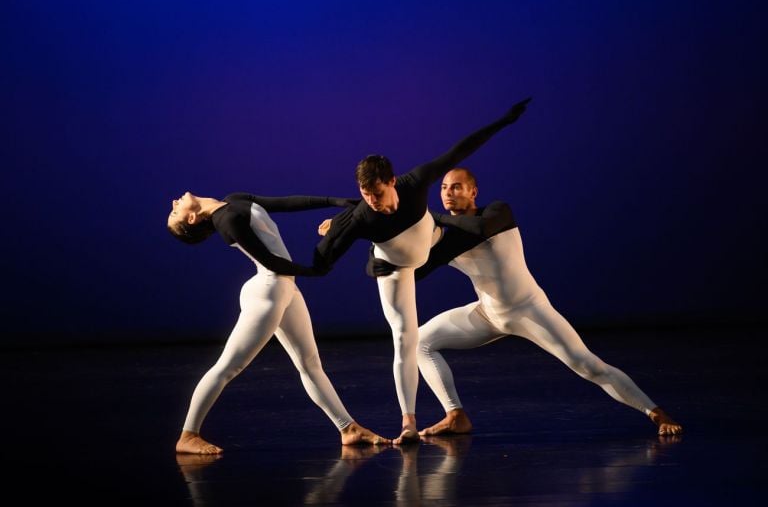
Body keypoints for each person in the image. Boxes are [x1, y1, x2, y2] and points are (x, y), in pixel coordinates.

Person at [366, 167, 683, 437]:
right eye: (444, 188)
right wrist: (373, 239)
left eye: (457, 187)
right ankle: (456, 415)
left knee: (587, 365)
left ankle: (655, 412)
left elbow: (479, 229)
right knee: (419, 341)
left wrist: (426, 219)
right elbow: (405, 270)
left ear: (474, 191)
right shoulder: (444, 237)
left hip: (529, 310)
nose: (448, 193)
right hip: (488, 313)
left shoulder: (497, 213)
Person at [311, 98, 531, 444]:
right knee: (406, 339)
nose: (374, 202)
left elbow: (460, 150)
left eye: (378, 194)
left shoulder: (415, 182)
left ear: (393, 182)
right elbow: (323, 261)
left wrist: (504, 121)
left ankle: (452, 416)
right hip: (393, 267)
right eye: (366, 196)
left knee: (443, 232)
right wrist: (331, 231)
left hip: (427, 243)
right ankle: (408, 423)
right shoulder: (362, 216)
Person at [167, 191, 390, 454]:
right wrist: (313, 271)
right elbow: (270, 261)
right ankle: (188, 435)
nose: (174, 203)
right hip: (268, 291)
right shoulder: (227, 222)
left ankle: (348, 428)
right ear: (192, 219)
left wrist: (335, 202)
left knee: (310, 364)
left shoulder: (233, 201)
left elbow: (284, 203)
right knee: (228, 366)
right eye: (175, 212)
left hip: (283, 289)